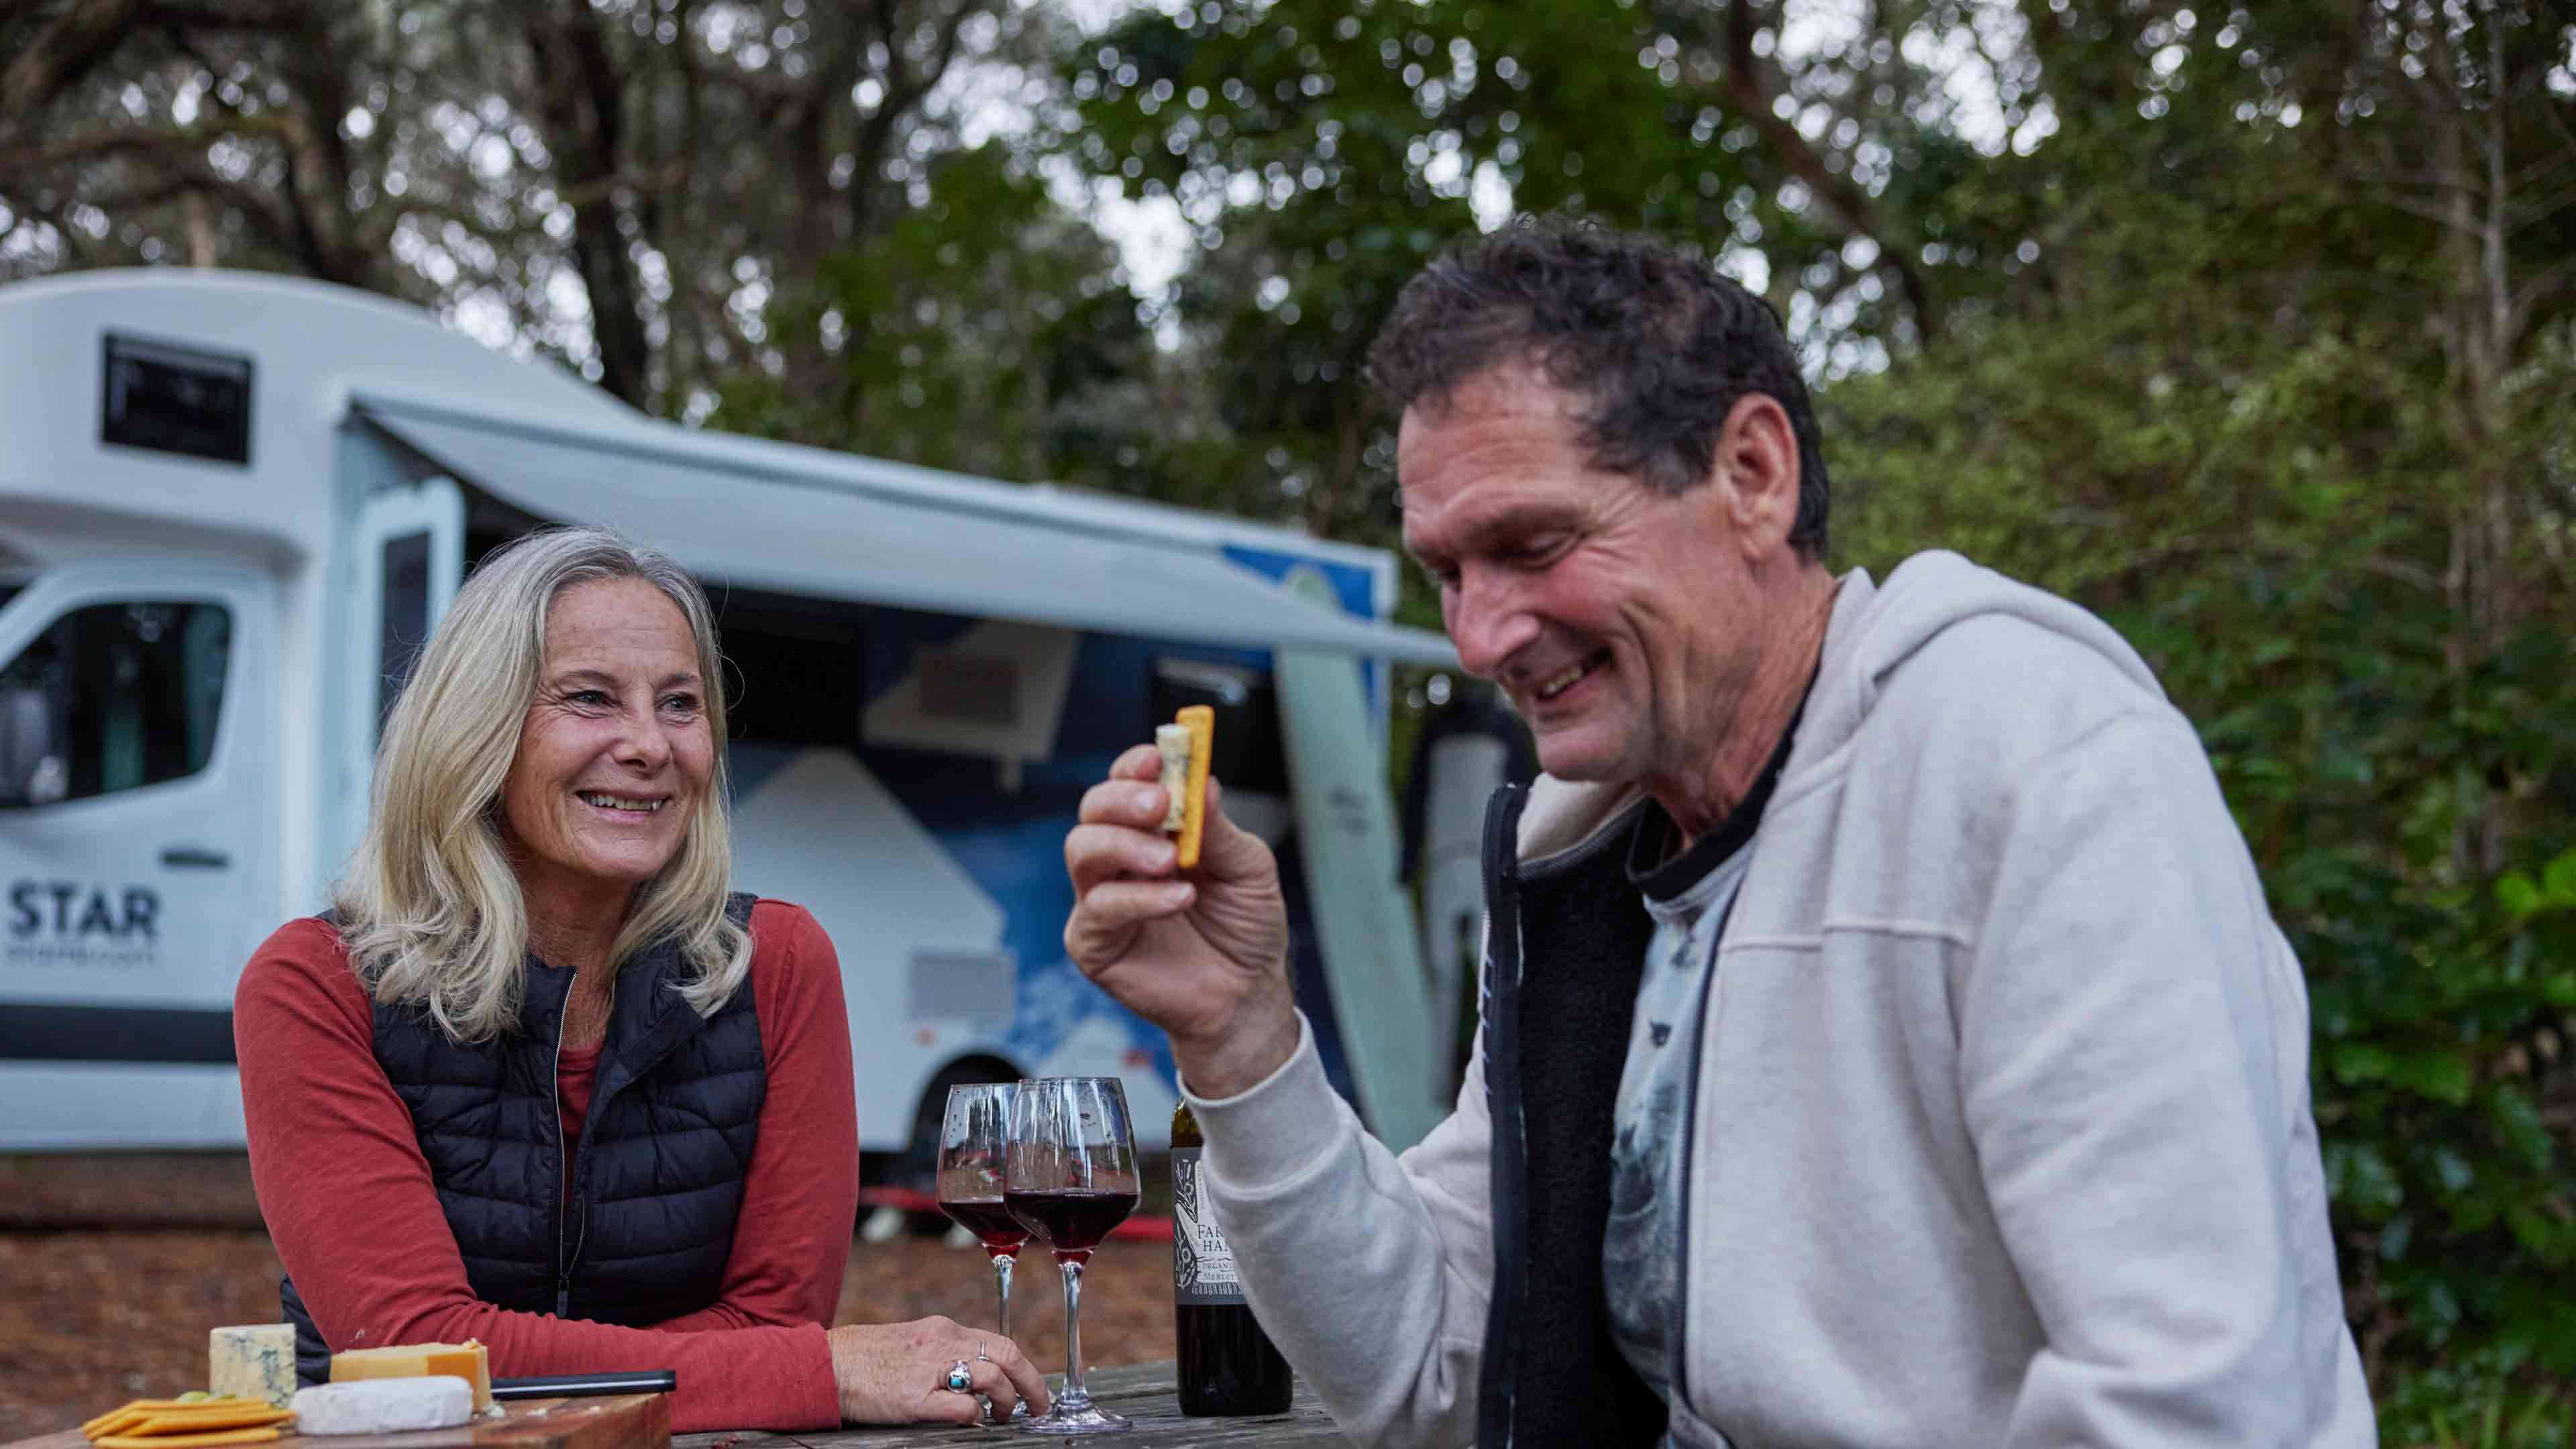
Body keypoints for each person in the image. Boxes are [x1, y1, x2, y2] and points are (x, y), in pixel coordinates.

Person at [1063, 221, 2376, 1446]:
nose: (1479, 637)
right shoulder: (1584, 847)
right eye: (1448, 572)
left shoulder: (2038, 767)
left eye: (1534, 543)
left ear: (1753, 474)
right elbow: (1442, 1365)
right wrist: (1243, 1040)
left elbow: (2196, 1406)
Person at [235, 528, 1046, 1432]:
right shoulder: (317, 985)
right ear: (475, 727)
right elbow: (414, 1350)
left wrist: (577, 1367)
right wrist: (808, 1372)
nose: (650, 745)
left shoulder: (776, 965)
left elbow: (775, 1324)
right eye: (590, 698)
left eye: (679, 704)